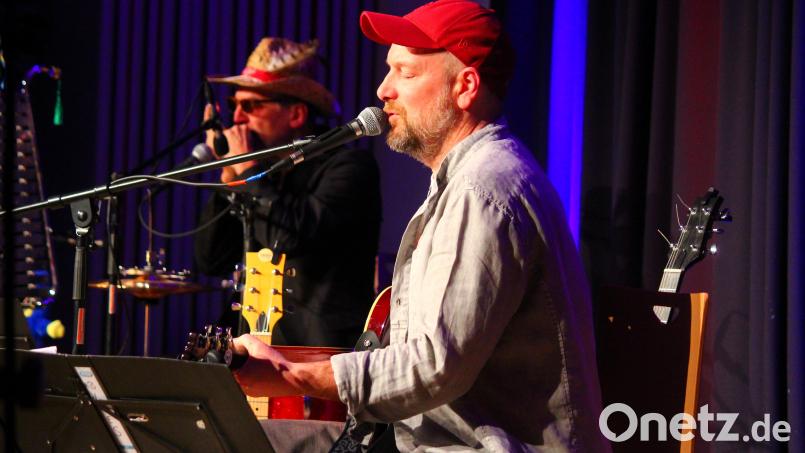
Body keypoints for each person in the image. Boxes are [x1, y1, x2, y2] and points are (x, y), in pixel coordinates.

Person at [233, 2, 610, 451]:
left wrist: (291, 376)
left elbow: (435, 366)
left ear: (464, 86)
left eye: (405, 72)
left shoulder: (483, 189)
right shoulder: (462, 181)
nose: (383, 89)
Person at [194, 37, 382, 348]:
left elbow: (290, 237)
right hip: (253, 352)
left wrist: (246, 173)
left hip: (318, 356)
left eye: (251, 105)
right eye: (233, 105)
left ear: (295, 115)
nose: (237, 118)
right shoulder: (261, 174)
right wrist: (230, 177)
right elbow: (211, 260)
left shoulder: (349, 166)